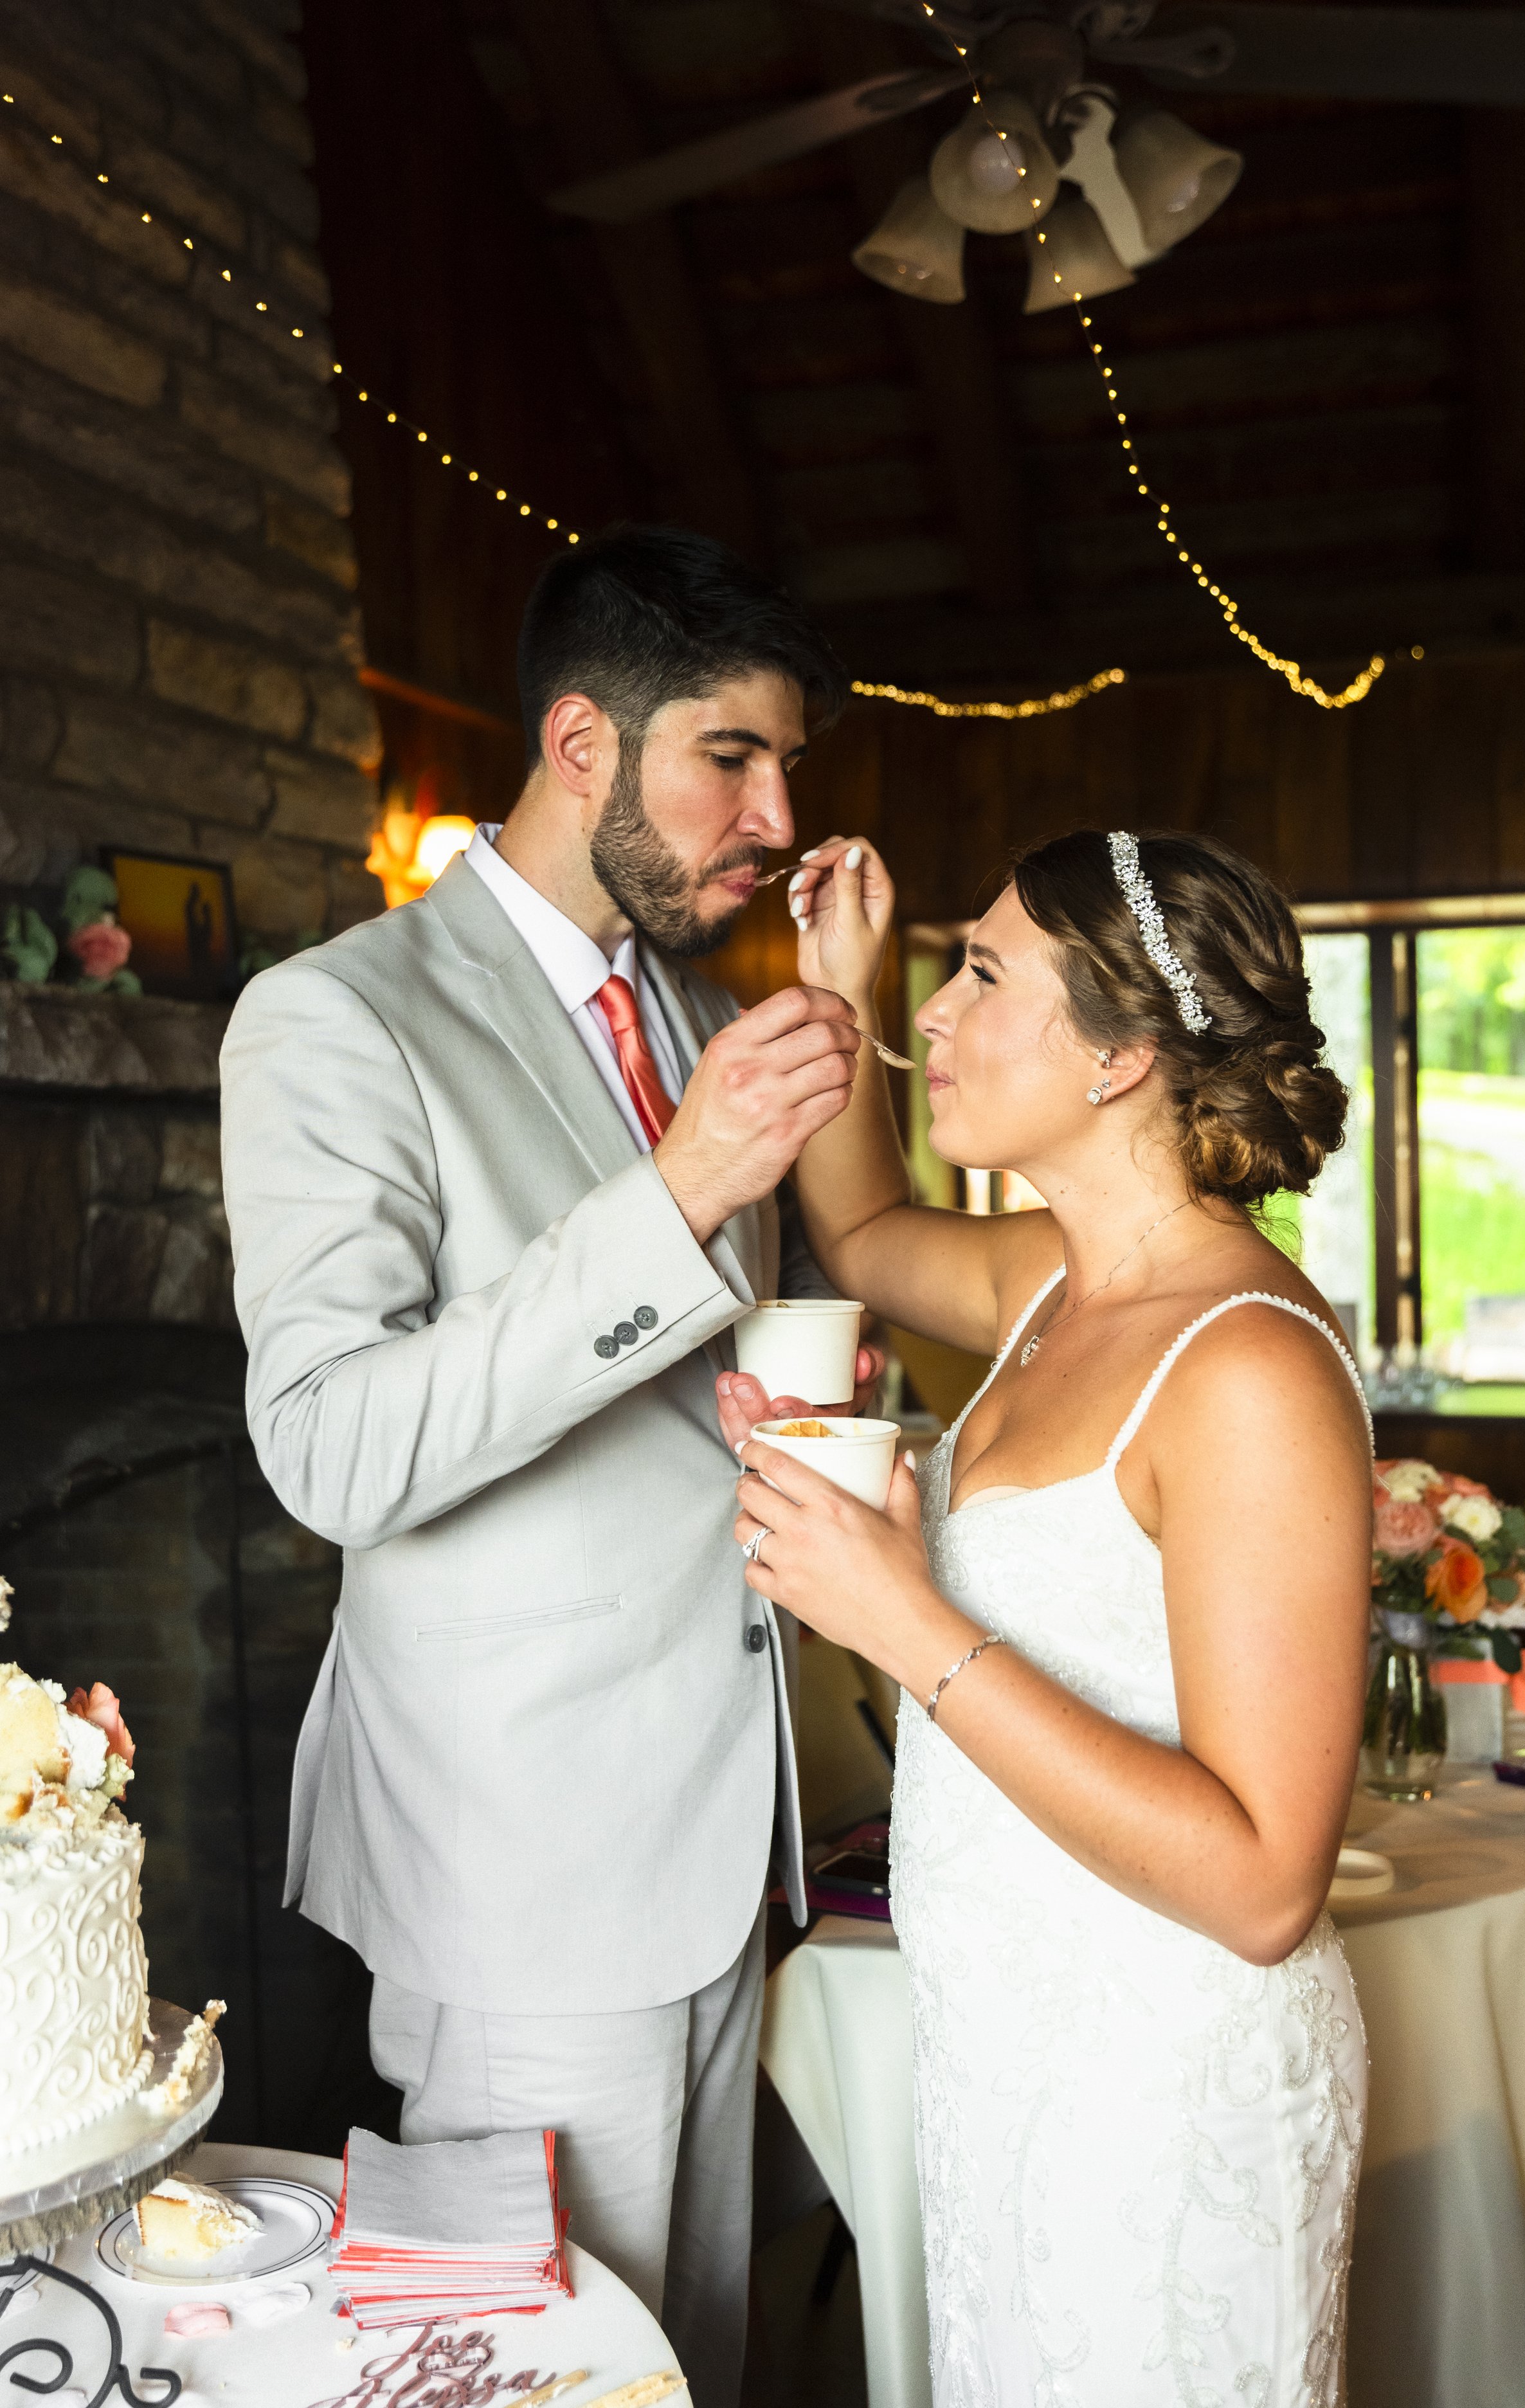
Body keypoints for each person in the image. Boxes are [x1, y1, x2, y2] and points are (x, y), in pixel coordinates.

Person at [220, 525, 880, 2408]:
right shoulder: (337, 1016)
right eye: (729, 761)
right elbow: (332, 1447)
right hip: (520, 1872)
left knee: (708, 2356)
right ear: (582, 741)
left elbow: (667, 1369)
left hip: (719, 1820)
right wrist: (676, 1193)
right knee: (544, 2381)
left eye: (784, 766)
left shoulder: (678, 1010)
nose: (771, 813)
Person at [719, 827, 1374, 2405]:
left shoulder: (1244, 1369)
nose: (929, 1016)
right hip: (1007, 2051)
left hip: (1163, 2088)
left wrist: (903, 1620)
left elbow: (1263, 1882)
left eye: (981, 975)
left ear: (1123, 1054)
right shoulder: (1053, 1285)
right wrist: (835, 984)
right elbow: (865, 1235)